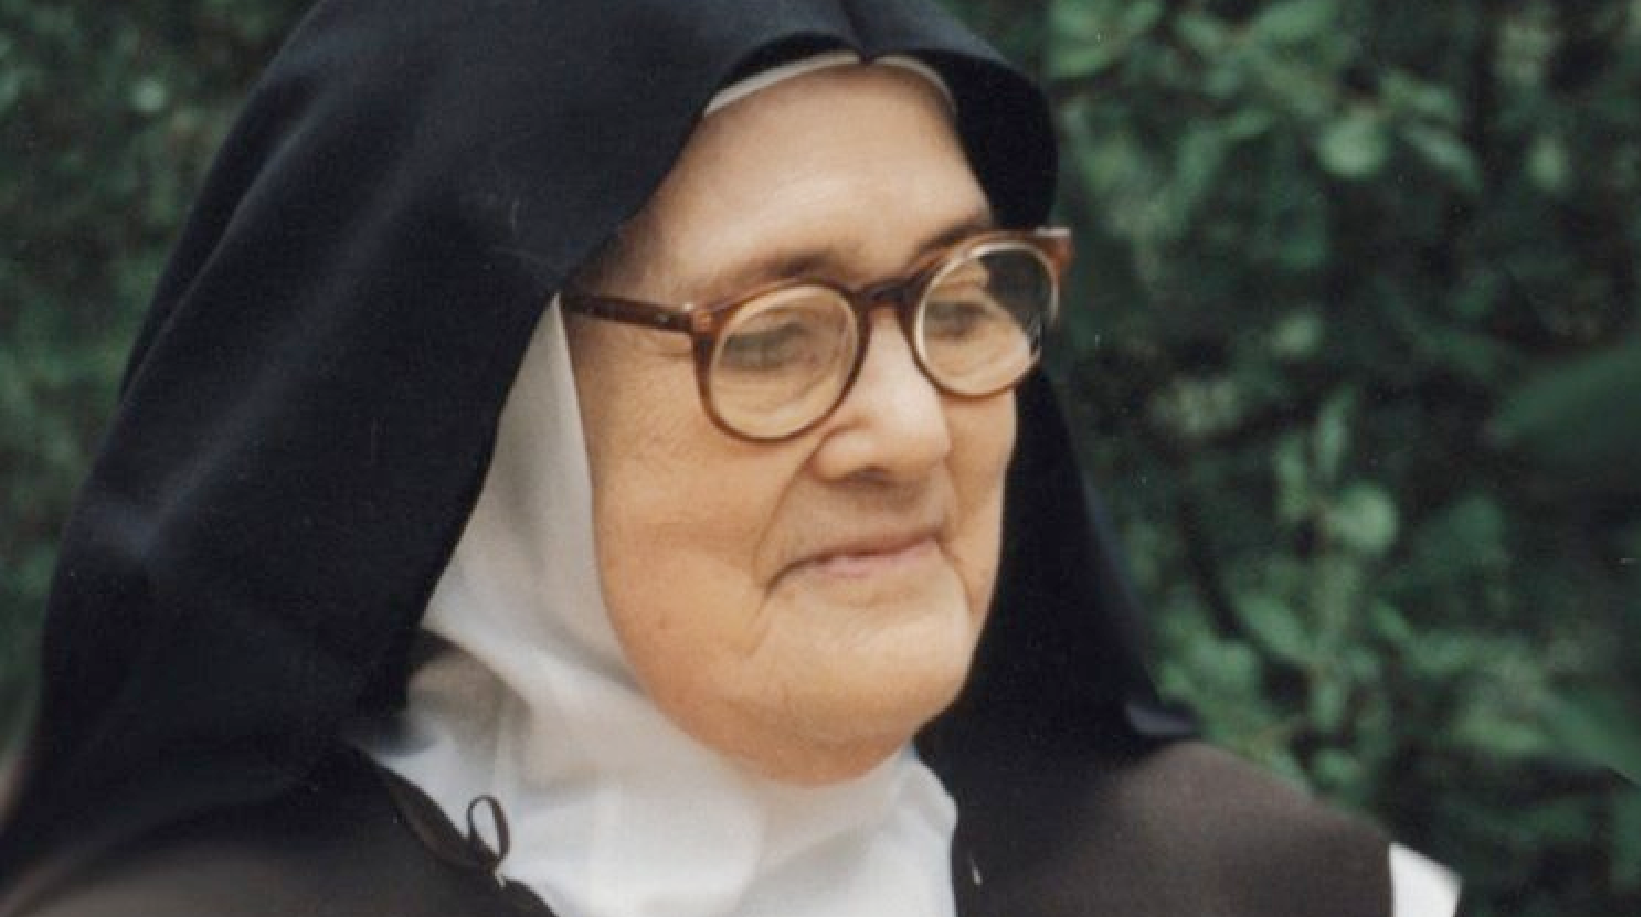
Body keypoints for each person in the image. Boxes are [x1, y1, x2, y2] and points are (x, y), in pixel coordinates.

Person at [0, 1, 1459, 914]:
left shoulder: (1281, 892)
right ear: (494, 413)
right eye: (771, 338)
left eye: (962, 301)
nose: (910, 432)